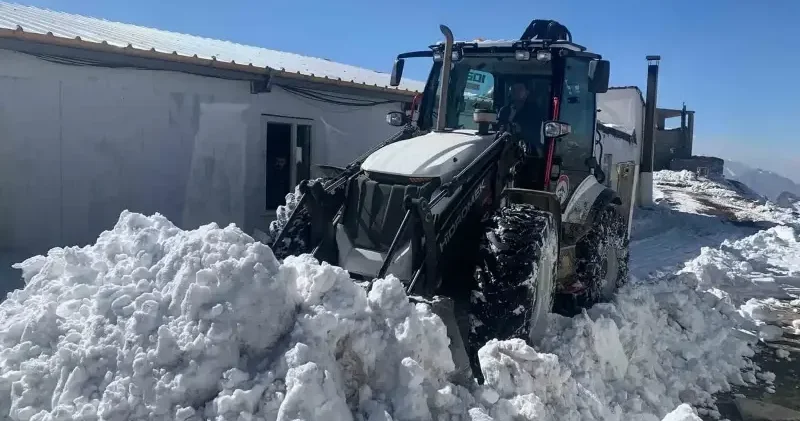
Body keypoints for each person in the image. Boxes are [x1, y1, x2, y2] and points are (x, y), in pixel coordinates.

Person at [496, 82, 547, 156]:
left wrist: (521, 129)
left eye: (519, 89)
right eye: (513, 89)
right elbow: (499, 129)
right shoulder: (504, 110)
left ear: (527, 93)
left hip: (529, 147)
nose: (515, 91)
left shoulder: (534, 111)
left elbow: (536, 132)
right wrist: (511, 118)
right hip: (506, 146)